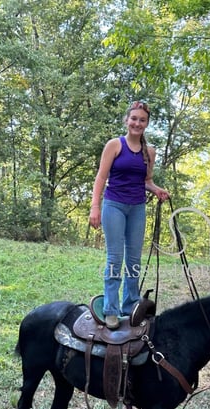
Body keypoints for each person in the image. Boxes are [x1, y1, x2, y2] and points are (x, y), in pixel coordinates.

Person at [89, 101, 170, 329]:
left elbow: (146, 181)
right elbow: (101, 178)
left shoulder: (149, 152)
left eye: (142, 120)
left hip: (137, 209)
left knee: (134, 260)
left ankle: (130, 307)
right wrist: (95, 207)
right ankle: (111, 310)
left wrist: (156, 189)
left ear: (146, 124)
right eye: (133, 118)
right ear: (127, 120)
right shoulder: (115, 145)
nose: (137, 123)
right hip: (113, 205)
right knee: (115, 259)